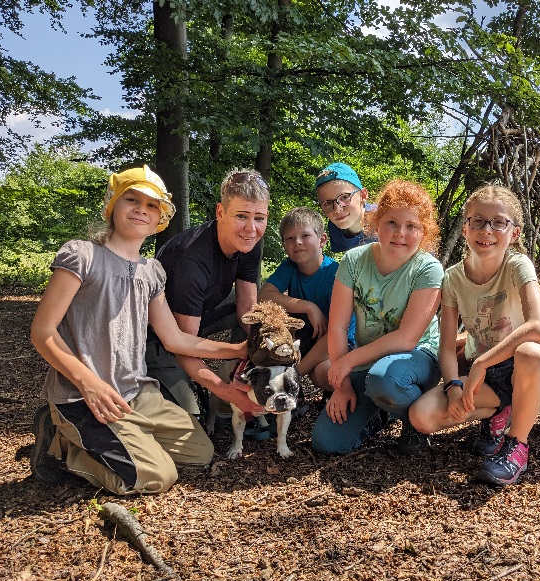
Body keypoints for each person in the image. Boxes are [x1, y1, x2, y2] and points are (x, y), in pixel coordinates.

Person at [30, 165, 249, 495]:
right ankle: (63, 448)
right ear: (112, 205)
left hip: (136, 391)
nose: (141, 210)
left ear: (160, 217)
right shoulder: (83, 256)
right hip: (83, 395)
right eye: (131, 199)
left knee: (199, 454)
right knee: (157, 477)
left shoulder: (151, 272)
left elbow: (174, 338)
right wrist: (88, 383)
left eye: (151, 206)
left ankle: (124, 440)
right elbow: (42, 331)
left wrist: (238, 350)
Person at [408, 184, 540, 486]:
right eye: (478, 221)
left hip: (519, 369)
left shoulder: (517, 265)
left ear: (514, 233)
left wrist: (482, 363)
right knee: (422, 417)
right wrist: (453, 388)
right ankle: (501, 410)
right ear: (465, 228)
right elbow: (447, 347)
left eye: (499, 222)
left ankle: (516, 445)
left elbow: (539, 326)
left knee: (532, 353)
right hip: (482, 378)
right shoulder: (453, 278)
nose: (487, 230)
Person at [311, 179, 444, 456]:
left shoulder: (428, 269)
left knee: (385, 379)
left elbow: (407, 338)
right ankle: (384, 413)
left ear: (424, 233)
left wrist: (348, 361)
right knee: (327, 442)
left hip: (417, 359)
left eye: (412, 227)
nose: (400, 234)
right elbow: (336, 327)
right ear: (376, 221)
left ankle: (413, 421)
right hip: (368, 362)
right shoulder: (353, 261)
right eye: (392, 222)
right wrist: (343, 384)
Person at [145, 168, 267, 418]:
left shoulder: (248, 243)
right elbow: (181, 344)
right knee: (194, 422)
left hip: (199, 317)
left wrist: (264, 348)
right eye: (241, 216)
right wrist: (225, 391)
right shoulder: (190, 259)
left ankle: (238, 379)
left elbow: (247, 307)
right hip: (156, 337)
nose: (251, 228)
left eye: (259, 217)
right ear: (220, 212)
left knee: (259, 316)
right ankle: (215, 395)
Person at [258, 207, 336, 392]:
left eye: (305, 236)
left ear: (322, 240)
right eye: (290, 238)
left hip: (335, 343)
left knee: (322, 373)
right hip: (303, 337)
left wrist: (296, 372)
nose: (297, 243)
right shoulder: (289, 267)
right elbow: (264, 295)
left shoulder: (335, 274)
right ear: (284, 245)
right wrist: (309, 307)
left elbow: (336, 335)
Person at [315, 162, 376, 252]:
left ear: (363, 196)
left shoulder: (386, 220)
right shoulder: (335, 228)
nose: (337, 209)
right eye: (328, 203)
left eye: (344, 197)